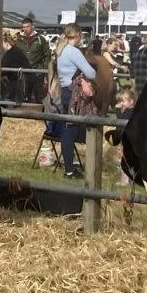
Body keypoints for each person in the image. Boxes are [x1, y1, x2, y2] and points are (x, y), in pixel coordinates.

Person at [49, 23, 96, 179]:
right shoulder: (73, 52)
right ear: (78, 35)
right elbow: (91, 72)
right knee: (70, 132)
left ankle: (70, 167)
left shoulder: (61, 51)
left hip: (65, 92)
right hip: (74, 93)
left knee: (69, 129)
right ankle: (69, 170)